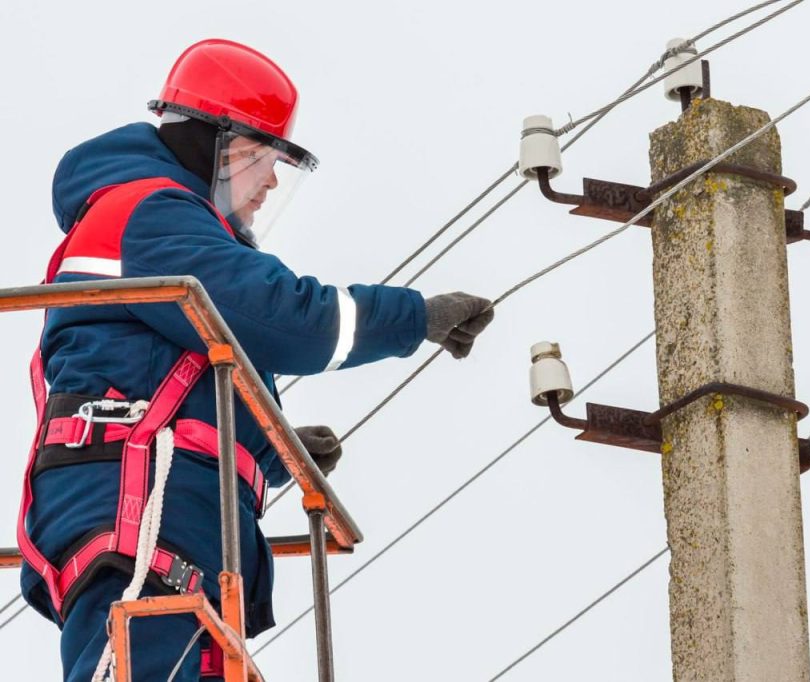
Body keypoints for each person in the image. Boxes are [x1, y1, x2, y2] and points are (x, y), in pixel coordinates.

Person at [18, 38, 494, 681]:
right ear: (218, 144)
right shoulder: (147, 213)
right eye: (263, 158)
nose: (271, 181)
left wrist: (267, 448)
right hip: (137, 507)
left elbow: (161, 372)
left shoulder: (170, 228)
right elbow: (282, 317)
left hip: (174, 518)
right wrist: (414, 318)